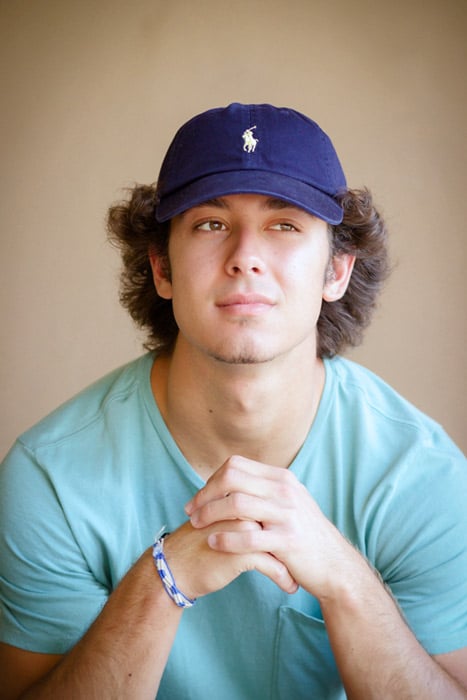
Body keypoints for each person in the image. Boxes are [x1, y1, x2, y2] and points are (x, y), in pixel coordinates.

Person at [0, 103, 466, 700]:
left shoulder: (422, 475)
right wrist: (163, 579)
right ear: (162, 269)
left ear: (337, 272)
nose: (245, 255)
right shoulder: (49, 479)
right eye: (211, 224)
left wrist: (347, 580)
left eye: (285, 225)